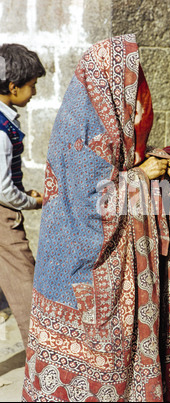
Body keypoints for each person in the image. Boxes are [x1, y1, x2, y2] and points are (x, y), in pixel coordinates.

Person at [22, 34, 170, 402]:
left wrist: (153, 160)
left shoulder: (106, 112)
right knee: (101, 343)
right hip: (79, 266)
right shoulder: (82, 128)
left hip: (114, 257)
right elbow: (89, 198)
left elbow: (120, 160)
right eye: (128, 79)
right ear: (107, 80)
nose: (134, 89)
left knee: (119, 341)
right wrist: (141, 177)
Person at [0, 44, 45, 347]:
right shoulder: (2, 131)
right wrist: (31, 202)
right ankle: (44, 361)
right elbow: (2, 189)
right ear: (13, 87)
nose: (35, 92)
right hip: (3, 216)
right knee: (26, 285)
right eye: (32, 86)